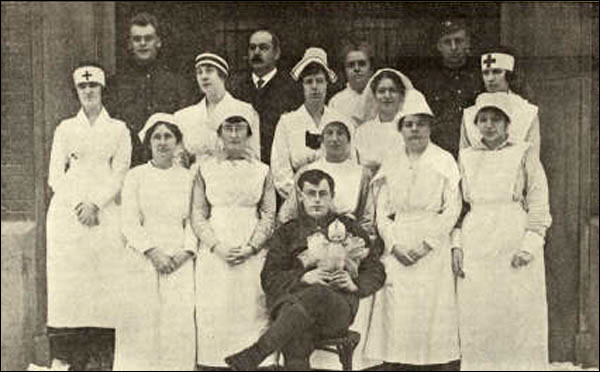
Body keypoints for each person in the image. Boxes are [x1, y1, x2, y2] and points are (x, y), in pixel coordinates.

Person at [225, 169, 386, 371]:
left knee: (316, 295)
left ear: (332, 196)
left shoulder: (349, 227)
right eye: (311, 194)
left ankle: (256, 353)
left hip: (336, 310)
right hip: (291, 311)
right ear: (300, 197)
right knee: (296, 331)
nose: (317, 200)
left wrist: (355, 284)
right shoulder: (287, 232)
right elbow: (269, 279)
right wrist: (304, 277)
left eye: (323, 194)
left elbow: (376, 271)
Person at [365, 89, 462, 371]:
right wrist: (393, 245)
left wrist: (427, 244)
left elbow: (452, 208)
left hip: (432, 243)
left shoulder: (444, 160)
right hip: (399, 240)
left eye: (420, 123)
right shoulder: (392, 161)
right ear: (401, 129)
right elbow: (381, 211)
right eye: (408, 124)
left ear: (430, 126)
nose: (415, 129)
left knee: (432, 313)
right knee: (399, 315)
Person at [454, 92, 552, 370]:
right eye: (483, 119)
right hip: (477, 241)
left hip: (513, 236)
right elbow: (457, 206)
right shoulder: (465, 156)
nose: (488, 125)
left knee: (518, 314)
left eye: (495, 119)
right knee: (479, 316)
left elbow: (538, 199)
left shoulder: (523, 152)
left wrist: (530, 244)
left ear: (508, 124)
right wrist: (457, 245)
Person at [46, 64, 131, 370]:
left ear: (102, 89)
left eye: (93, 86)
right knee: (71, 285)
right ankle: (67, 357)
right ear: (77, 92)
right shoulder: (65, 129)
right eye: (83, 88)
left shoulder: (118, 129)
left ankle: (101, 358)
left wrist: (96, 203)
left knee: (104, 282)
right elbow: (55, 175)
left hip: (106, 215)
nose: (88, 92)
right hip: (69, 216)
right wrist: (79, 203)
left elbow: (121, 172)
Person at [190, 113, 276, 369]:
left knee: (251, 306)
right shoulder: (204, 169)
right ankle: (214, 362)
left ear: (249, 134)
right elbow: (198, 213)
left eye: (240, 129)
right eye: (229, 128)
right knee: (216, 303)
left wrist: (252, 246)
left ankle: (255, 360)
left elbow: (269, 212)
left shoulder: (262, 170)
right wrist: (216, 246)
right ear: (220, 134)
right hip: (216, 249)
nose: (235, 134)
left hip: (251, 248)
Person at [114, 113, 195, 371]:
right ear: (148, 142)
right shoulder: (136, 176)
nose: (162, 142)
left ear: (177, 142)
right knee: (141, 323)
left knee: (177, 324)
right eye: (156, 137)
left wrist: (186, 252)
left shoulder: (189, 177)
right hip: (142, 257)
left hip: (179, 260)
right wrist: (152, 251)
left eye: (168, 136)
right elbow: (129, 221)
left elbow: (195, 220)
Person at [105, 12, 197, 167]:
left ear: (158, 42)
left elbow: (185, 127)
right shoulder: (115, 84)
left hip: (166, 166)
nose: (142, 43)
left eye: (148, 38)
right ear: (129, 44)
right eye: (137, 39)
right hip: (128, 164)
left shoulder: (176, 84)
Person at [271, 47, 350, 200]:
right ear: (302, 85)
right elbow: (280, 172)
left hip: (337, 200)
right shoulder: (287, 123)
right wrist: (304, 199)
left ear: (327, 84)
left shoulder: (342, 121)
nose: (314, 87)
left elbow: (350, 165)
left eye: (320, 81)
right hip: (298, 201)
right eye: (309, 82)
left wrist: (331, 200)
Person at [279, 119, 374, 237]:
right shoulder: (306, 170)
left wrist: (356, 241)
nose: (334, 139)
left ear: (349, 141)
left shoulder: (362, 173)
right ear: (322, 141)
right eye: (329, 133)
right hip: (309, 235)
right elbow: (289, 213)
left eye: (340, 133)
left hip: (349, 235)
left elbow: (367, 218)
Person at [228, 29, 303, 164]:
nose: (256, 52)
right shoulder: (235, 88)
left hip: (280, 165)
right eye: (252, 48)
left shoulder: (293, 90)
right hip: (245, 165)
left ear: (277, 53)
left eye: (263, 48)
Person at [413, 18, 483, 159]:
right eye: (447, 42)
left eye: (458, 41)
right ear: (439, 46)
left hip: (475, 151)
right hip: (439, 153)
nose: (453, 47)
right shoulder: (427, 80)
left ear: (467, 42)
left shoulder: (481, 77)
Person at [175, 52, 260, 164]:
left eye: (209, 71)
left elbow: (254, 157)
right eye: (199, 72)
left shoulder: (245, 110)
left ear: (222, 76)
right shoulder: (184, 116)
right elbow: (178, 159)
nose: (203, 76)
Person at [460, 46, 541, 157]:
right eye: (486, 73)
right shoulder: (470, 114)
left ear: (509, 74)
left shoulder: (527, 112)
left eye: (497, 72)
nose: (490, 78)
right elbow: (463, 156)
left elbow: (533, 159)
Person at [355, 68, 414, 174]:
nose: (387, 96)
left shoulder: (411, 129)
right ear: (374, 95)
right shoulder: (363, 132)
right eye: (381, 91)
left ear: (401, 95)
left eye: (392, 90)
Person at [328, 34, 376, 126]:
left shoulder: (381, 97)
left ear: (371, 69)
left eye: (362, 64)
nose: (356, 69)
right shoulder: (336, 102)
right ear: (345, 70)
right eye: (351, 65)